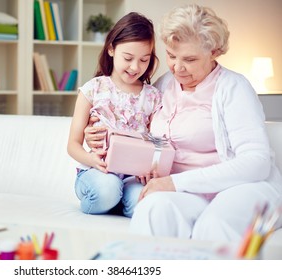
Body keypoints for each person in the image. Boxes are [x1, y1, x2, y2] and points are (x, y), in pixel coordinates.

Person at [84, 4, 282, 242]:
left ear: (215, 51)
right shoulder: (164, 84)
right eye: (171, 55)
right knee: (151, 210)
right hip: (187, 191)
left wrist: (174, 182)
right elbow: (135, 127)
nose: (178, 67)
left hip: (239, 187)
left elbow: (256, 163)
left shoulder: (234, 88)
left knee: (214, 225)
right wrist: (100, 132)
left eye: (189, 59)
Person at [67, 12, 161, 217]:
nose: (135, 67)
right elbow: (72, 144)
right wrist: (92, 160)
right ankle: (111, 198)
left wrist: (150, 167)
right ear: (111, 49)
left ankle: (118, 200)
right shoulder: (93, 89)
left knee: (145, 203)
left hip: (132, 177)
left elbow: (156, 143)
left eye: (144, 60)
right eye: (128, 58)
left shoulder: (153, 97)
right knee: (106, 190)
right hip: (97, 172)